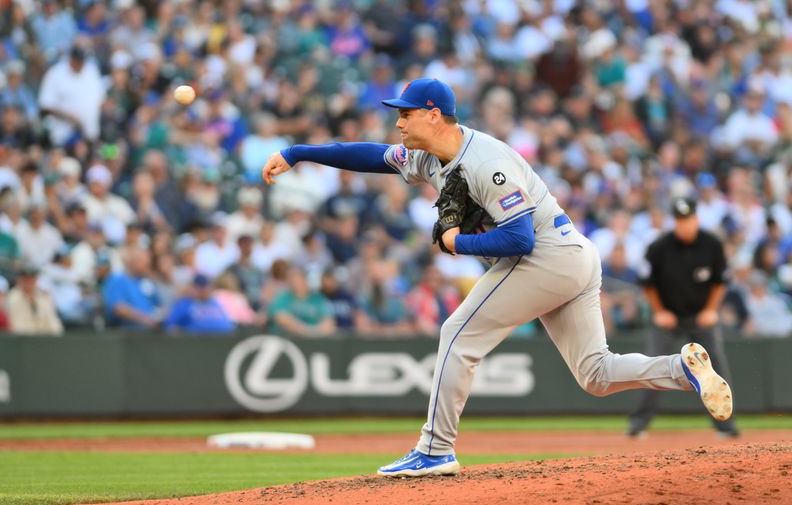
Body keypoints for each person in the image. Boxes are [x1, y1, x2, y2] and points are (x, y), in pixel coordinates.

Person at [262, 78, 734, 477]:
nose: (398, 121)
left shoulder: (485, 162)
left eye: (405, 113)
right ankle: (681, 369)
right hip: (572, 257)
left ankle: (434, 449)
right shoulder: (426, 155)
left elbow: (521, 239)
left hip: (547, 256)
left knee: (457, 333)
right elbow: (367, 155)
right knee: (596, 374)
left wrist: (455, 244)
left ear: (433, 114)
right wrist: (299, 152)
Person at [627, 197, 740, 439]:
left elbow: (720, 282)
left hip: (701, 316)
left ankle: (726, 425)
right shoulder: (659, 247)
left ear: (696, 219)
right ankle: (638, 424)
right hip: (667, 316)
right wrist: (659, 312)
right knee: (653, 366)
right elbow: (647, 284)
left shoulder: (712, 245)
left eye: (687, 219)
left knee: (716, 366)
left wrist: (711, 310)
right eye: (679, 220)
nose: (683, 225)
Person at [164, 274, 235, 335]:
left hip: (222, 343)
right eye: (201, 287)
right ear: (193, 287)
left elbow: (228, 325)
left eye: (206, 286)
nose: (204, 290)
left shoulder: (215, 303)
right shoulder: (185, 304)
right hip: (195, 344)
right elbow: (171, 327)